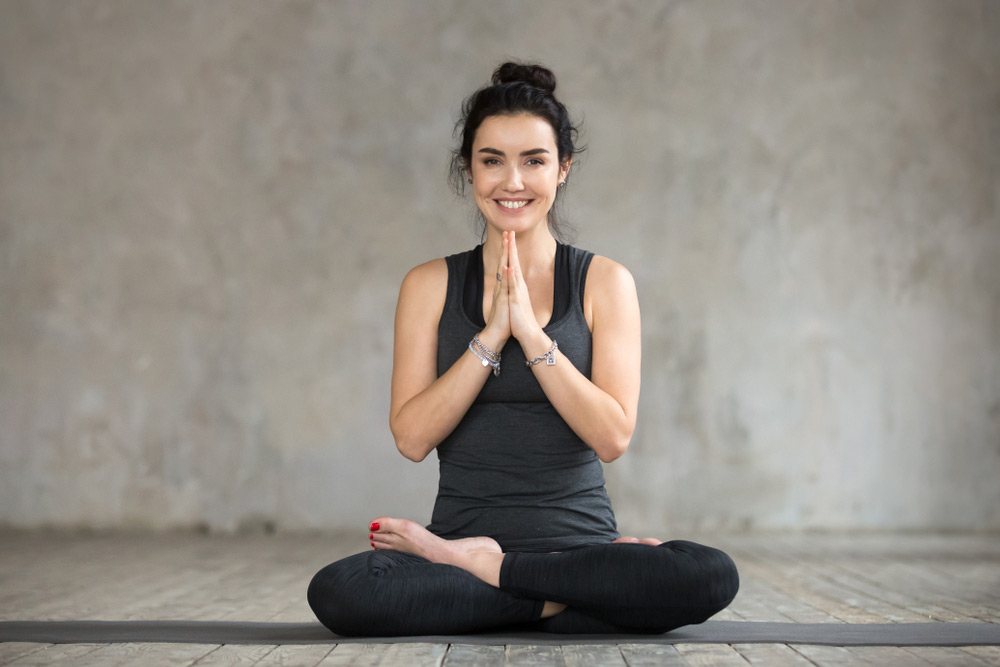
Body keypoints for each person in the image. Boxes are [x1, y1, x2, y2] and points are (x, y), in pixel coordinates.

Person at [307, 62, 739, 636]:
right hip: (459, 552)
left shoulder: (604, 282)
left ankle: (501, 575)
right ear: (469, 169)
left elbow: (612, 437)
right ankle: (554, 597)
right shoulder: (429, 284)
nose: (513, 181)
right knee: (340, 591)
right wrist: (489, 337)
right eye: (492, 161)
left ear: (562, 169)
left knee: (708, 575)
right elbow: (412, 438)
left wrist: (533, 336)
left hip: (579, 551)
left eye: (534, 160)